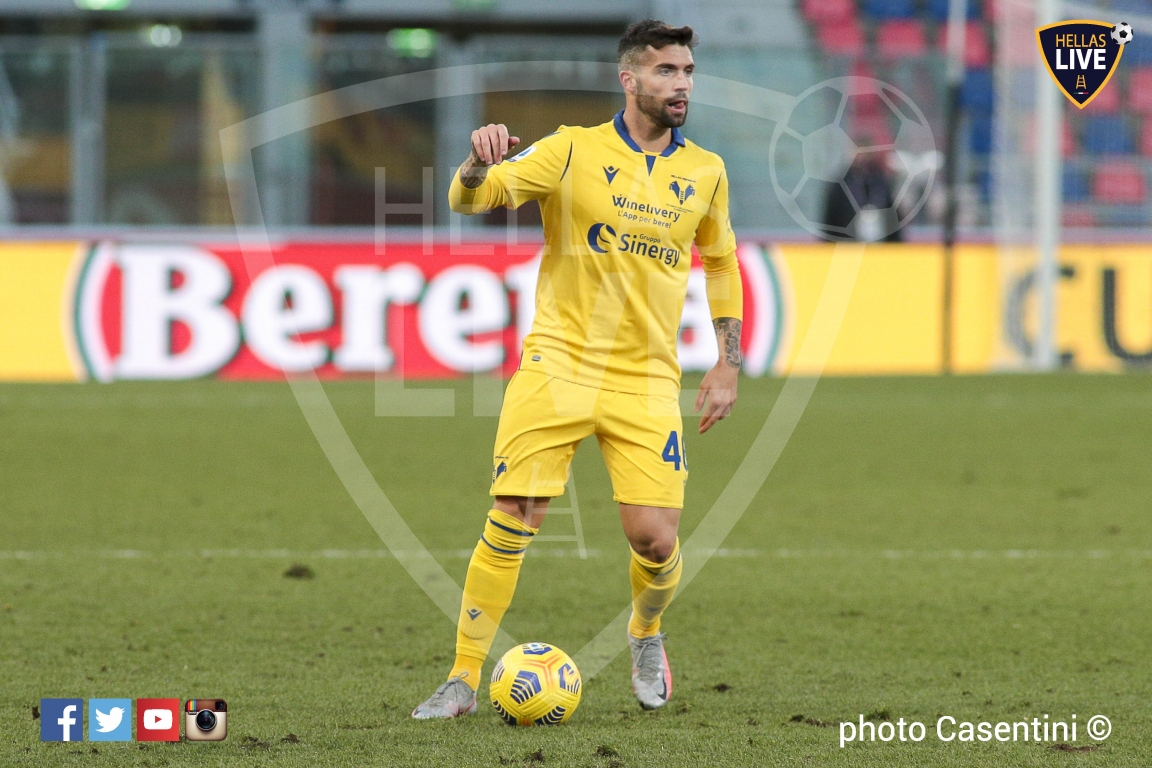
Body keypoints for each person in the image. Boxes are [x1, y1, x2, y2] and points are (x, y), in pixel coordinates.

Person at [412, 18, 743, 718]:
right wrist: (475, 163)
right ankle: (463, 678)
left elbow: (720, 262)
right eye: (666, 71)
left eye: (687, 71)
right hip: (558, 363)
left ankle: (645, 632)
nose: (681, 84)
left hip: (646, 377)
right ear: (629, 79)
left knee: (654, 539)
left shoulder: (706, 171)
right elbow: (471, 199)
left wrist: (727, 362)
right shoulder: (570, 150)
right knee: (513, 513)